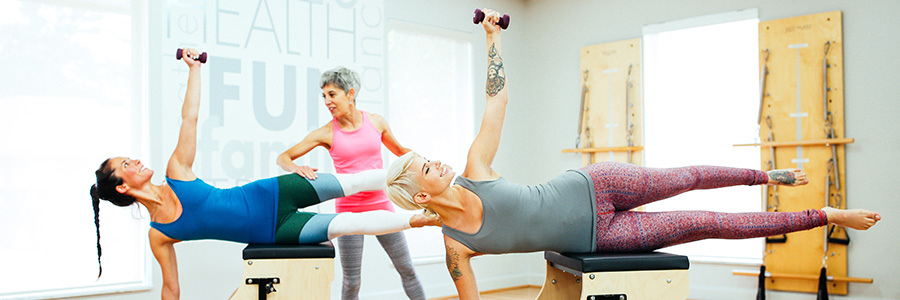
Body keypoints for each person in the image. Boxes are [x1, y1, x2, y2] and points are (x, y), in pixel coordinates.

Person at [384, 9, 882, 300]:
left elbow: (498, 100)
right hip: (606, 236)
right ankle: (826, 214)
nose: (438, 162)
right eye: (427, 167)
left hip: (596, 183)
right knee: (708, 222)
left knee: (687, 176)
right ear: (420, 193)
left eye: (430, 157)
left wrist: (492, 39)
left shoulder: (475, 168)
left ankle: (764, 175)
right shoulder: (456, 249)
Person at [89, 49, 437, 300]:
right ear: (121, 187)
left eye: (130, 158)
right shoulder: (159, 234)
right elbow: (170, 288)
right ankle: (423, 219)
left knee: (358, 181)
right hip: (275, 231)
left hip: (273, 192)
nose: (134, 162)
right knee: (349, 224)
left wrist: (194, 71)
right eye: (126, 165)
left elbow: (189, 119)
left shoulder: (175, 171)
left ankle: (437, 180)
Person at [275, 67, 425, 300]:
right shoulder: (325, 133)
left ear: (350, 94)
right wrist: (297, 167)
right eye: (323, 96)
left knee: (407, 269)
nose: (327, 101)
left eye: (332, 94)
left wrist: (425, 163)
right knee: (352, 280)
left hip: (382, 205)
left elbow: (401, 152)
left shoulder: (376, 122)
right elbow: (283, 157)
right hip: (348, 212)